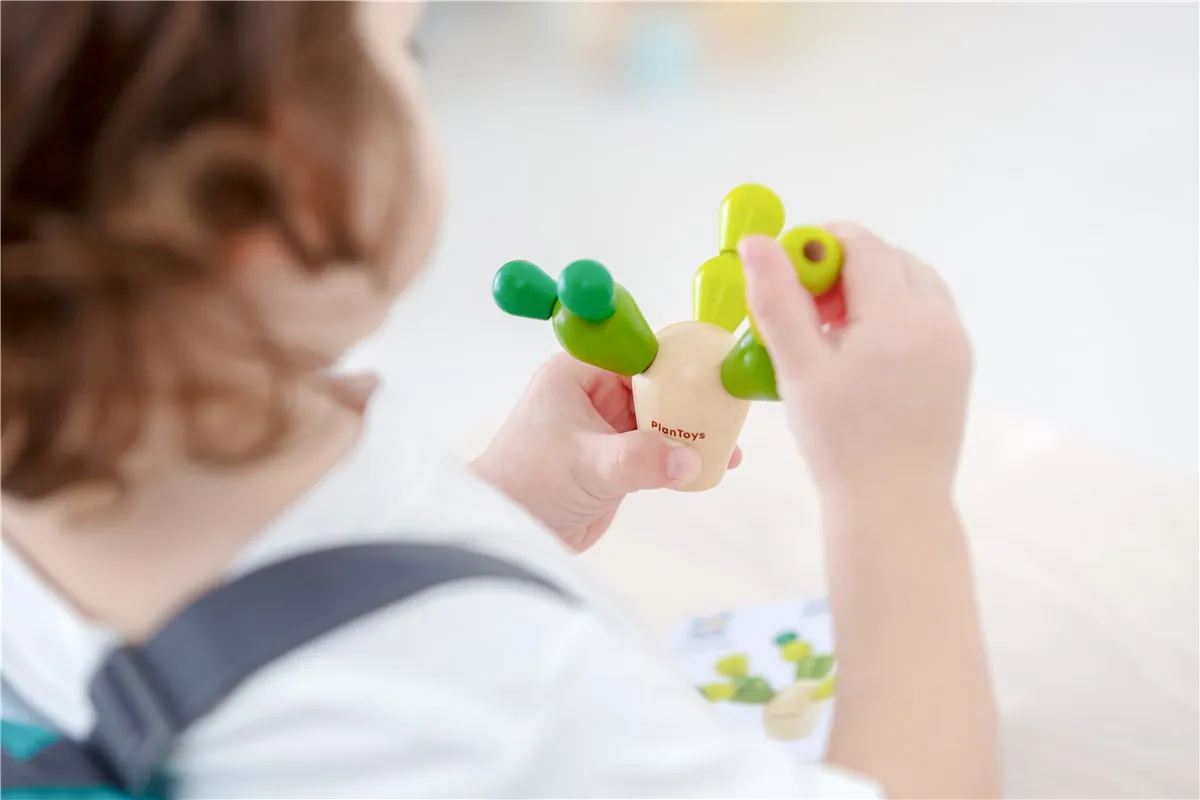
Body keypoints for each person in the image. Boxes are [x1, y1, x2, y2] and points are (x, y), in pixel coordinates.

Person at [0, 2, 1000, 798]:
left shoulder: (63, 463)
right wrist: (893, 487)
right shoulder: (514, 704)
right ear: (285, 187)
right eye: (408, 54)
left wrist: (491, 512)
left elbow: (254, 608)